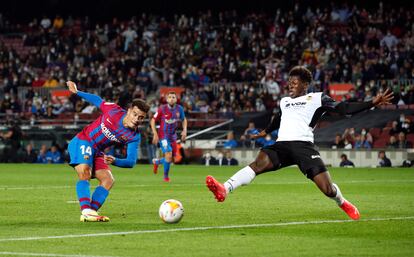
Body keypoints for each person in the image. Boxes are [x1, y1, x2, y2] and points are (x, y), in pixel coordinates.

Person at [206, 66, 393, 220]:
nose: (290, 86)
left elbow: (343, 108)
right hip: (282, 145)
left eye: (294, 83)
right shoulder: (285, 101)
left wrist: (371, 102)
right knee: (258, 163)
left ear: (305, 85)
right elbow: (279, 118)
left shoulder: (317, 98)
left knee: (327, 189)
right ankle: (225, 188)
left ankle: (342, 202)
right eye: (289, 83)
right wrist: (265, 132)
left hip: (303, 146)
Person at [66, 81, 150, 222]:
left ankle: (91, 212)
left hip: (97, 151)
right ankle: (86, 211)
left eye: (141, 118)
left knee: (108, 179)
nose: (136, 119)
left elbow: (131, 162)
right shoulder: (113, 111)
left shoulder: (134, 136)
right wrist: (77, 92)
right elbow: (97, 100)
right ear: (129, 111)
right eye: (135, 114)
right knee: (84, 172)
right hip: (83, 140)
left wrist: (115, 160)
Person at [150, 92, 187, 182]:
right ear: (167, 99)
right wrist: (155, 133)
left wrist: (184, 130)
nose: (171, 99)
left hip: (173, 136)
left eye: (173, 97)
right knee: (168, 155)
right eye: (169, 97)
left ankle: (157, 162)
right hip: (163, 136)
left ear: (176, 99)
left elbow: (184, 119)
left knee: (172, 158)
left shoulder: (179, 109)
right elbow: (153, 120)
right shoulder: (162, 109)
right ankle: (165, 177)